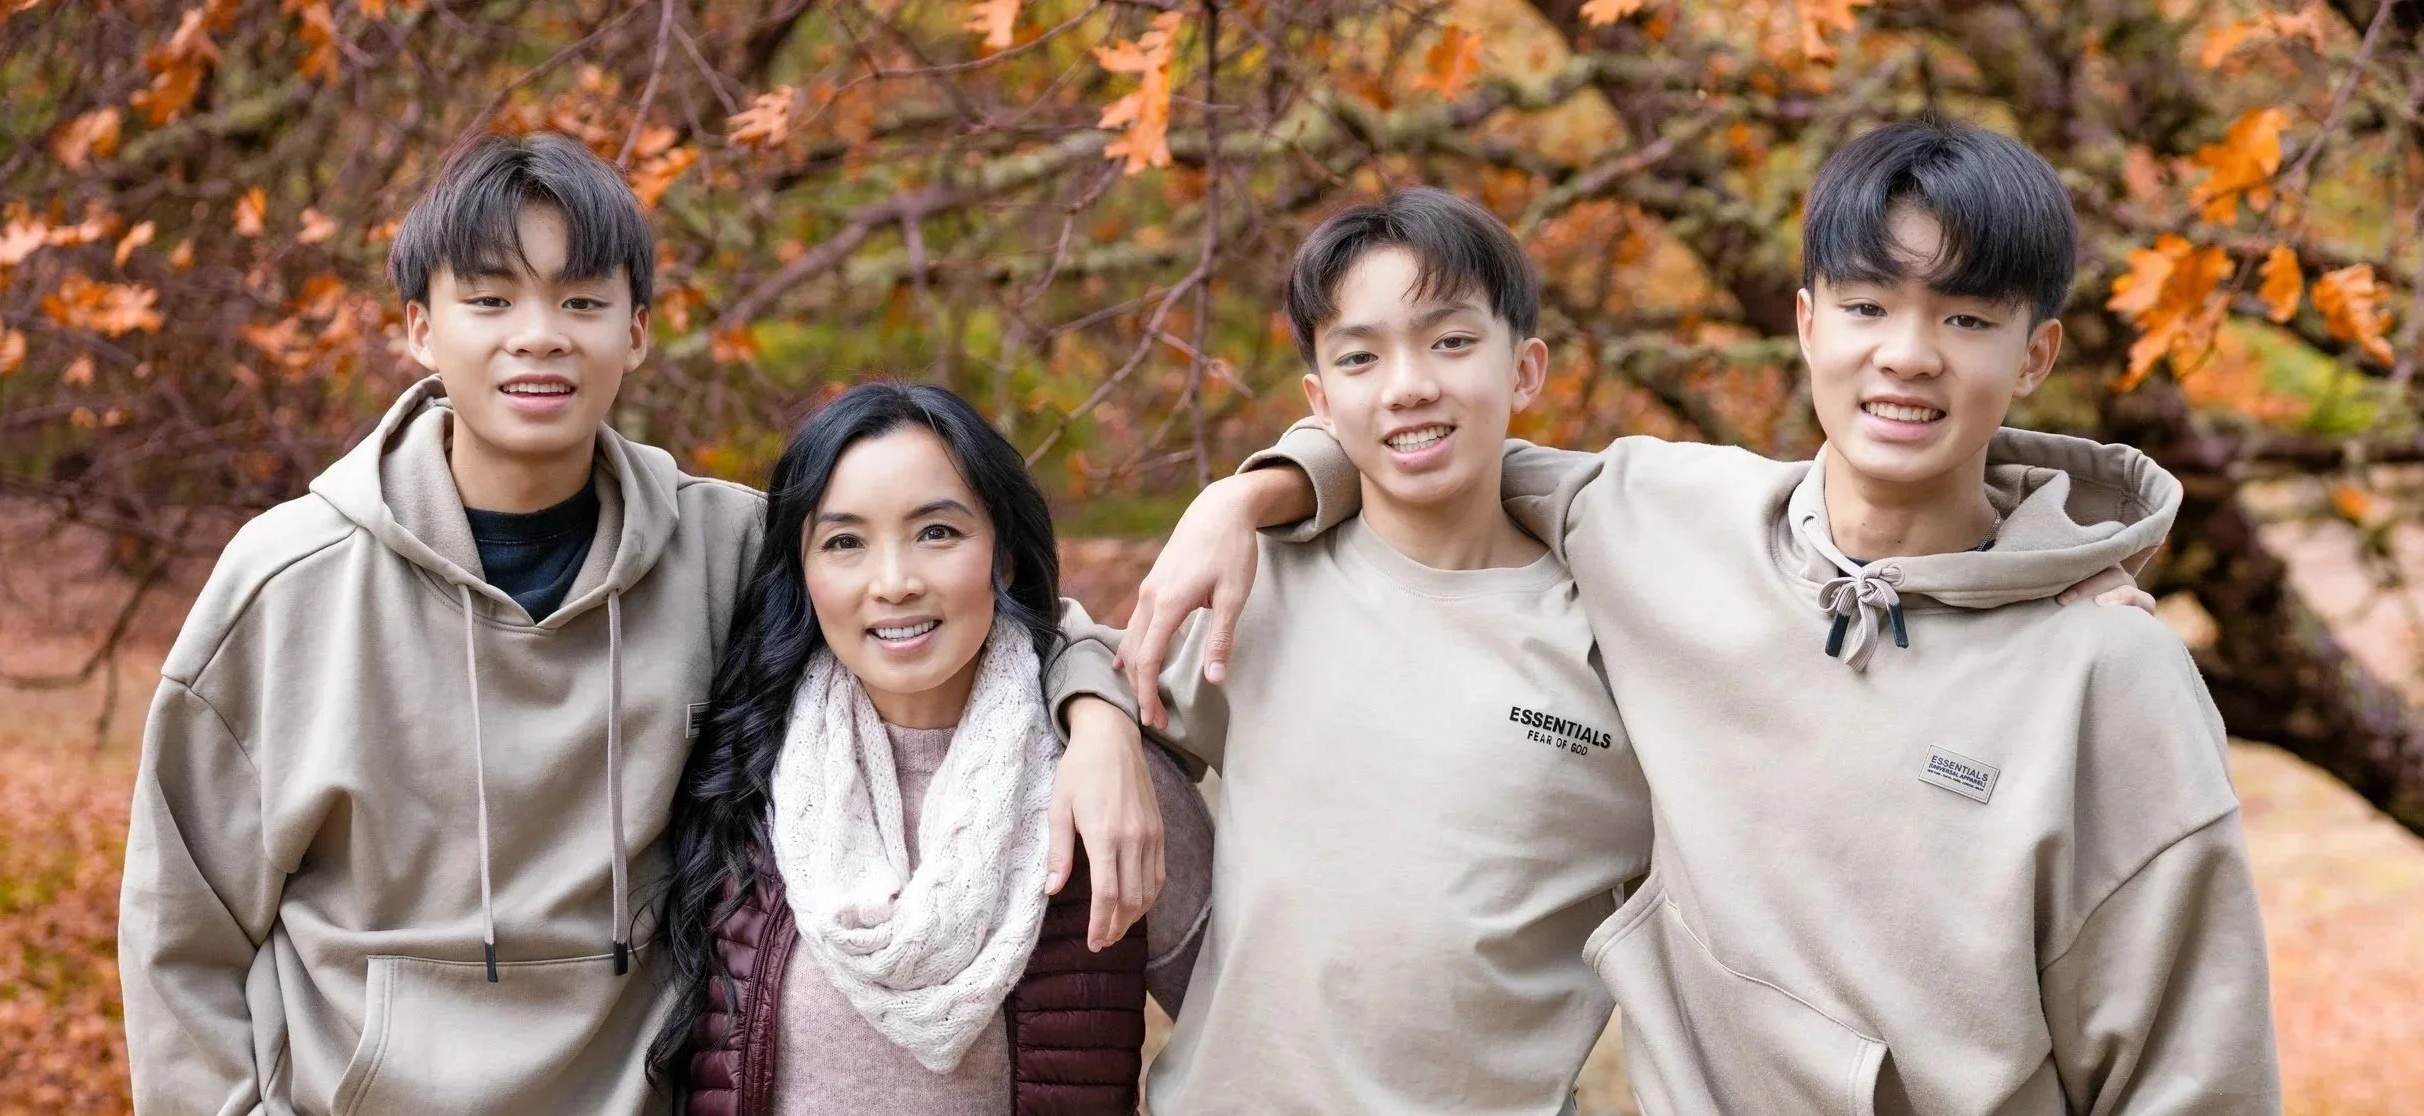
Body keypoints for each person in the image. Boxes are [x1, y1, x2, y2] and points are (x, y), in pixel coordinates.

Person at [1122, 118, 2280, 1113]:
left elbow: (2194, 1067)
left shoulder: (2109, 674)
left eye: (1966, 320)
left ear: (2035, 357)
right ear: (1807, 323)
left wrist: (2056, 595)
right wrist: (1250, 493)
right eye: (1868, 305)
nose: (1907, 356)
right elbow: (1436, 443)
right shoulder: (1666, 522)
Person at [117, 132, 1166, 1116]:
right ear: (418, 327)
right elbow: (181, 931)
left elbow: (950, 600)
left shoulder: (722, 550)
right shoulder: (287, 583)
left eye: (581, 299)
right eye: (489, 299)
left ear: (637, 329)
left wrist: (1096, 708)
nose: (539, 336)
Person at [1043, 187, 1659, 1115]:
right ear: (1320, 401)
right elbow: (1066, 651)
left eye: (1451, 342)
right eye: (1362, 356)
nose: (1409, 384)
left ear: (1526, 369)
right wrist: (1098, 728)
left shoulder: (1618, 638)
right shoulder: (1258, 586)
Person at [645, 381, 1212, 1115]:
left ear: (1002, 556)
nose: (895, 583)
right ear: (804, 573)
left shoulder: (1105, 780)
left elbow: (1253, 1029)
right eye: (845, 542)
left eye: (938, 532)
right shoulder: (741, 773)